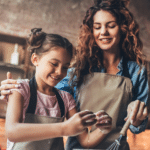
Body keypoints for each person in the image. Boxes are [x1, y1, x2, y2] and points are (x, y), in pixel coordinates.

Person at [0, 0, 149, 149]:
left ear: (123, 28)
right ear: (91, 30)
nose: (103, 32)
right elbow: (47, 94)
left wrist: (137, 118)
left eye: (111, 26)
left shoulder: (136, 72)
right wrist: (16, 89)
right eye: (97, 27)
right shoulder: (78, 69)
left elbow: (137, 126)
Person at [3, 28, 112, 150]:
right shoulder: (21, 89)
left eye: (65, 67)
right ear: (35, 59)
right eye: (54, 64)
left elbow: (86, 140)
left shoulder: (66, 99)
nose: (59, 72)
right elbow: (12, 132)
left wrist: (103, 130)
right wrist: (64, 128)